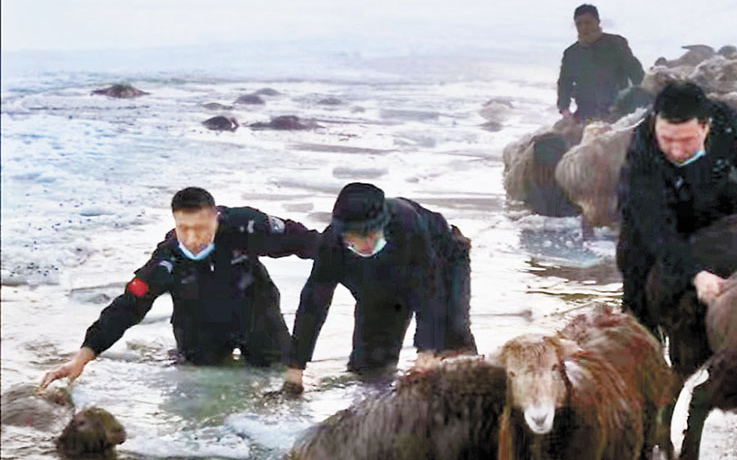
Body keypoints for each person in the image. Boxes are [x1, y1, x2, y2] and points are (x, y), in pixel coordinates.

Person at [41, 187, 320, 387]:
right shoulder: (168, 258)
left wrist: (344, 251)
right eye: (183, 228)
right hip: (199, 325)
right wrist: (83, 356)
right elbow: (128, 307)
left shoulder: (245, 226)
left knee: (277, 375)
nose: (192, 237)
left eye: (200, 227)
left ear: (216, 218)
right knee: (204, 384)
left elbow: (303, 240)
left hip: (256, 312)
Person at [616, 82, 737, 329]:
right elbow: (656, 228)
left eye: (686, 140)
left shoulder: (728, 125)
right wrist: (697, 274)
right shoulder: (642, 156)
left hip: (713, 192)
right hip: (657, 213)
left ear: (706, 126)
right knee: (640, 290)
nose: (676, 150)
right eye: (667, 139)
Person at [282, 182, 477, 393]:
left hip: (441, 263)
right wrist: (296, 368)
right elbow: (313, 303)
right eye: (354, 238)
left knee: (451, 347)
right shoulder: (332, 246)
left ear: (382, 225)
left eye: (370, 235)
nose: (364, 244)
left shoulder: (407, 223)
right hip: (379, 282)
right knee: (369, 370)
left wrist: (426, 351)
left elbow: (428, 291)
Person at [557, 3, 645, 124]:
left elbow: (635, 72)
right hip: (585, 113)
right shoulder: (571, 53)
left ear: (597, 22)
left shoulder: (615, 44)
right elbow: (564, 84)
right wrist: (565, 110)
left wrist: (643, 102)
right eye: (579, 24)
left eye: (588, 22)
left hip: (617, 111)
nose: (584, 27)